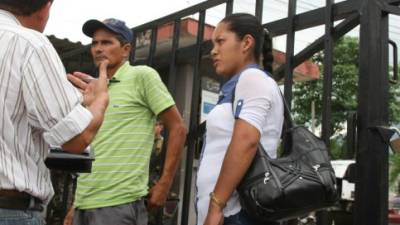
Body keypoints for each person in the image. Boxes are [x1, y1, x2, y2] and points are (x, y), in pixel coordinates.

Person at [63, 18, 187, 225]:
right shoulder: (94, 92)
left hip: (120, 204)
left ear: (126, 49)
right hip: (84, 204)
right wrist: (76, 204)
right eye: (95, 43)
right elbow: (96, 148)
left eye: (107, 42)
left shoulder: (142, 76)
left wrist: (165, 183)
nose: (98, 48)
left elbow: (178, 127)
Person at [0, 0, 109, 224]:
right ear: (46, 6)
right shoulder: (30, 43)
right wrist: (100, 100)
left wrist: (79, 106)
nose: (99, 48)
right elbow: (77, 139)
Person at [196, 13, 284, 225]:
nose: (213, 50)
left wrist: (217, 206)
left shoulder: (252, 78)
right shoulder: (239, 84)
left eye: (220, 41)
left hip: (236, 212)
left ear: (246, 43)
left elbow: (246, 141)